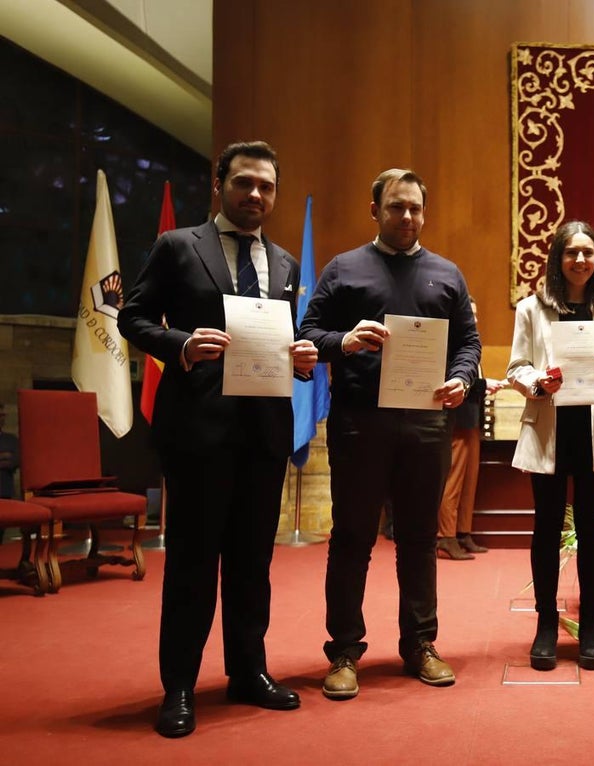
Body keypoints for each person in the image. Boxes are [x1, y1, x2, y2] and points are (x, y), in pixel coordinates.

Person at [119, 141, 318, 738]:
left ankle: (248, 672)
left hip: (264, 436)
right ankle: (179, 686)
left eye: (267, 187)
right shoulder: (179, 246)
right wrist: (179, 344)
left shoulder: (284, 264)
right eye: (245, 184)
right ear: (220, 185)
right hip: (198, 434)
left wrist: (303, 359)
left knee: (253, 564)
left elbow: (284, 342)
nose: (255, 195)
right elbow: (132, 316)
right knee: (192, 564)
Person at [299, 168, 481, 699]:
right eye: (396, 207)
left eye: (415, 208)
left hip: (426, 424)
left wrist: (462, 378)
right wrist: (347, 341)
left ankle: (420, 645)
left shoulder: (447, 274)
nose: (407, 217)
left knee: (421, 540)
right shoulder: (344, 269)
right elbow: (308, 336)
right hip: (360, 424)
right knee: (352, 539)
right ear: (374, 209)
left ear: (425, 213)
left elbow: (468, 341)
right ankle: (344, 653)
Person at [507, 221, 594, 670]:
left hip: (593, 428)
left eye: (588, 253)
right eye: (571, 253)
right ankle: (544, 622)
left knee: (593, 534)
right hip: (550, 426)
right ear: (557, 258)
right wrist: (536, 380)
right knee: (545, 530)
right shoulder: (531, 309)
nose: (580, 261)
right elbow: (517, 366)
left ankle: (592, 629)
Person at [437, 299, 505, 561]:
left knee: (469, 480)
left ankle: (462, 532)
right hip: (454, 418)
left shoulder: (468, 342)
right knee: (452, 481)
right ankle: (445, 536)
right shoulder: (448, 342)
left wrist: (484, 384)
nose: (474, 319)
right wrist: (485, 385)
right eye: (470, 314)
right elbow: (449, 379)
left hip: (470, 418)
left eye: (476, 314)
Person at [0, 403, 19, 500]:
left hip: (5, 492)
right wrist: (5, 455)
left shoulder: (11, 440)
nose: (2, 418)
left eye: (3, 415)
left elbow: (15, 461)